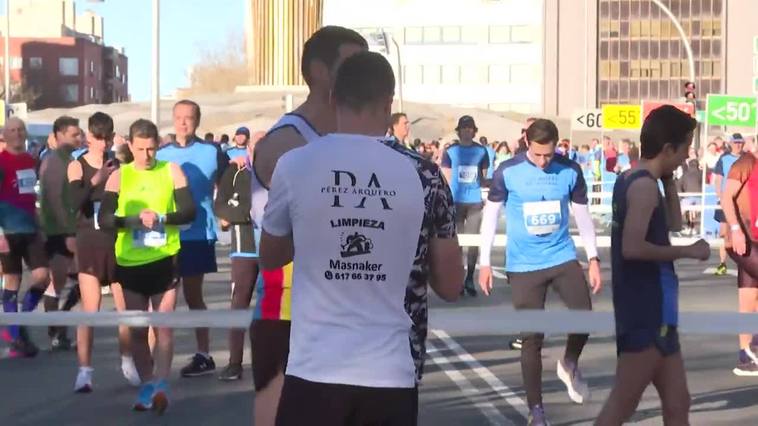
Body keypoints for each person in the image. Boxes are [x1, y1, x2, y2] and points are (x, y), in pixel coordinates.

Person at [261, 50, 463, 426]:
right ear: (389, 102)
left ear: (335, 98)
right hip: (390, 371)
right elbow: (451, 284)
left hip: (314, 369)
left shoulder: (295, 165)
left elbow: (269, 257)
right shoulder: (426, 175)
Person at [245, 26, 368, 426]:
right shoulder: (286, 143)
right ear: (318, 71)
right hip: (287, 307)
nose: (361, 74)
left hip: (345, 306)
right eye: (353, 64)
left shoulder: (351, 138)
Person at [479, 118, 602, 425]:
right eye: (537, 155)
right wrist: (484, 262)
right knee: (532, 337)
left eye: (548, 155)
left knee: (584, 313)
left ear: (557, 146)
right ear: (527, 144)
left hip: (561, 256)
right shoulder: (508, 171)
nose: (543, 161)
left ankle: (569, 362)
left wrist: (594, 258)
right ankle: (537, 411)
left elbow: (583, 217)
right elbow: (490, 217)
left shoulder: (569, 171)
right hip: (524, 265)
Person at [596, 105, 709, 425]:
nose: (687, 156)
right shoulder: (643, 186)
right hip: (645, 308)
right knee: (623, 403)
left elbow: (672, 222)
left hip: (659, 309)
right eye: (685, 147)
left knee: (678, 403)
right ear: (668, 148)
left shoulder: (638, 177)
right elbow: (633, 248)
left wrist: (669, 181)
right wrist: (687, 252)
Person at [99, 118, 195, 413]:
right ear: (129, 145)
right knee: (138, 331)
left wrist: (162, 219)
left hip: (165, 259)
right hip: (129, 262)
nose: (147, 156)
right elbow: (103, 220)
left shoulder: (171, 171)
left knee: (163, 327)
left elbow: (189, 211)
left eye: (152, 149)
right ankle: (148, 385)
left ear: (158, 146)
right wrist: (133, 221)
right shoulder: (119, 176)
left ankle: (162, 385)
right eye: (140, 149)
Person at [157, 100, 229, 377]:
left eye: (188, 118)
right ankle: (157, 356)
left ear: (197, 121)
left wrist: (224, 211)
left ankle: (204, 355)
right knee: (164, 298)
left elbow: (227, 186)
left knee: (193, 295)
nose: (183, 123)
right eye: (178, 118)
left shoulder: (212, 151)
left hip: (199, 233)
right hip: (165, 234)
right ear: (173, 120)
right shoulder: (162, 154)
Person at [68, 112, 139, 392]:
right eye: (97, 138)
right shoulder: (77, 165)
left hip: (116, 242)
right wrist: (96, 179)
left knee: (126, 309)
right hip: (89, 241)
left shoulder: (118, 165)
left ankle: (128, 361)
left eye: (106, 138)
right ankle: (84, 372)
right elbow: (74, 202)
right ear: (89, 136)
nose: (102, 143)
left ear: (111, 137)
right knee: (90, 310)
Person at [0, 117, 49, 358]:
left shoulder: (31, 160)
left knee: (42, 277)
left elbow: (30, 195)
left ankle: (20, 322)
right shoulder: (1, 160)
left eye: (21, 130)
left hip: (30, 230)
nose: (17, 134)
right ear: (5, 135)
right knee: (12, 281)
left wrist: (39, 223)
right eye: (12, 130)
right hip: (7, 231)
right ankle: (15, 334)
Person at [214, 138, 258, 381]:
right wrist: (246, 214)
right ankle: (234, 363)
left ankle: (279, 363)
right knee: (238, 307)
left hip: (274, 250)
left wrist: (239, 212)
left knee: (276, 311)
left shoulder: (280, 171)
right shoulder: (236, 170)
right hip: (244, 250)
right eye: (256, 145)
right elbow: (220, 205)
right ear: (249, 148)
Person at [39, 115, 81, 350]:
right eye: (74, 134)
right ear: (59, 135)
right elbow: (55, 198)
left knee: (82, 281)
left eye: (79, 134)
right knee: (57, 283)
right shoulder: (56, 162)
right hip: (59, 232)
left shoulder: (69, 159)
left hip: (69, 229)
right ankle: (55, 331)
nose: (79, 138)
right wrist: (68, 231)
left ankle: (59, 326)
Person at [719, 148, 758, 375]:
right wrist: (735, 229)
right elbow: (726, 197)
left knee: (749, 296)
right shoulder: (746, 163)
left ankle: (746, 355)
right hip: (742, 238)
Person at [441, 115, 489, 296]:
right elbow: (445, 177)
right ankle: (458, 280)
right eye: (464, 128)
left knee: (474, 242)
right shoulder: (451, 151)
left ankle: (469, 278)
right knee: (457, 244)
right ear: (459, 131)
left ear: (474, 131)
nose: (467, 131)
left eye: (470, 128)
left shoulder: (481, 151)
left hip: (475, 202)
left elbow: (482, 176)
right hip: (456, 202)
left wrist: (488, 187)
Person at [713, 134, 746, 276]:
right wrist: (721, 197)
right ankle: (722, 263)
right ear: (730, 144)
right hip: (726, 200)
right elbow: (718, 180)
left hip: (743, 202)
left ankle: (744, 265)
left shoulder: (747, 159)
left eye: (741, 143)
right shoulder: (724, 159)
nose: (738, 145)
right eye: (736, 142)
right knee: (724, 234)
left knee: (744, 233)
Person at [678, 159, 703, 236]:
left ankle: (686, 227)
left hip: (687, 198)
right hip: (699, 198)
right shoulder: (701, 174)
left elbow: (679, 185)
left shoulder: (684, 175)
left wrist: (682, 196)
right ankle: (695, 228)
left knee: (684, 210)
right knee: (694, 212)